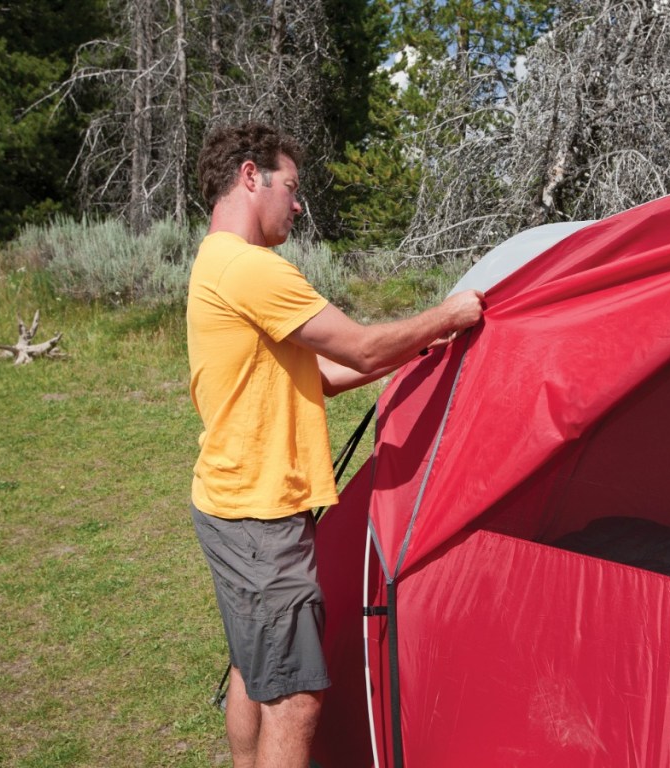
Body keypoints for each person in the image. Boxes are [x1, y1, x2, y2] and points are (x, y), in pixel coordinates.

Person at [186, 122, 484, 768]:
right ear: (249, 176)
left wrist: (413, 351)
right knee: (295, 700)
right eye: (291, 187)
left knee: (251, 667)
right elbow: (359, 345)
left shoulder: (213, 262)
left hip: (226, 503)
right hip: (260, 518)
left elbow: (320, 373)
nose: (298, 204)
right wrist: (449, 316)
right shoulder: (252, 269)